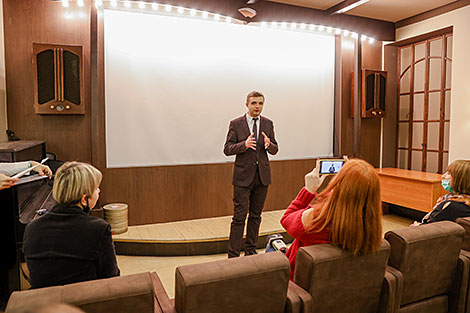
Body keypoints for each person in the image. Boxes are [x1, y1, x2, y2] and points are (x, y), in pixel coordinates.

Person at [23, 162, 120, 288]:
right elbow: (111, 279)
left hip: (42, 304)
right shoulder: (98, 229)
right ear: (84, 199)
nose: (99, 191)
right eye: (96, 188)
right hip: (82, 303)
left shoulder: (32, 227)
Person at [281, 159, 382, 279]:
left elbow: (286, 219)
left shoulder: (317, 219)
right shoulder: (370, 225)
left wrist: (308, 190)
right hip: (338, 283)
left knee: (272, 245)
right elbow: (350, 204)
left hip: (299, 284)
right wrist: (355, 177)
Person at [224, 91, 279, 257]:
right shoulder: (236, 123)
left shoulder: (268, 124)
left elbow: (275, 149)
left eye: (260, 103)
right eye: (254, 103)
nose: (257, 107)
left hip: (262, 178)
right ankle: (233, 255)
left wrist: (269, 145)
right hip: (242, 178)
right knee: (239, 218)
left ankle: (251, 251)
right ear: (247, 104)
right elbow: (227, 149)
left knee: (256, 216)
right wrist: (244, 144)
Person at [417, 160, 470, 224]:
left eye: (448, 173)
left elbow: (428, 225)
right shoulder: (464, 201)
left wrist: (417, 225)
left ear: (459, 179)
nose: (443, 176)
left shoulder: (451, 205)